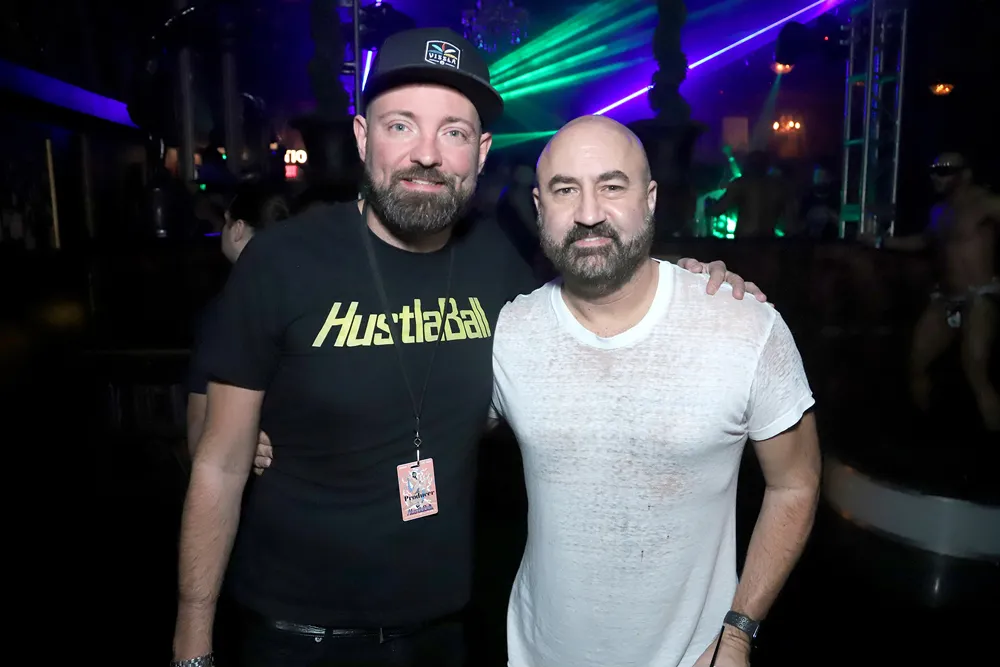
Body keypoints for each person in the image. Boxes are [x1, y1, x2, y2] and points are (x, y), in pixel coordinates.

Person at [173, 27, 764, 667]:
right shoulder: (280, 262)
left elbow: (593, 303)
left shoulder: (495, 262)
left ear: (480, 153)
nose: (427, 153)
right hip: (295, 637)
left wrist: (689, 283)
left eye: (452, 132)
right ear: (363, 137)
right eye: (401, 126)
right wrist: (191, 642)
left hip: (442, 633)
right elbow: (219, 464)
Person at [489, 115, 821, 667]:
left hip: (694, 658)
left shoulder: (743, 325)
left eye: (612, 186)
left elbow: (796, 484)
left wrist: (738, 632)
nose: (589, 213)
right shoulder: (510, 333)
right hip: (538, 653)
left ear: (650, 199)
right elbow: (432, 427)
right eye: (565, 190)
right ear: (539, 206)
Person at [861, 153, 999, 430]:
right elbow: (924, 241)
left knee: (975, 371)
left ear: (965, 174)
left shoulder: (987, 203)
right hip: (945, 298)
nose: (937, 176)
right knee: (916, 364)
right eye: (934, 170)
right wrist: (879, 241)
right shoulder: (939, 211)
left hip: (979, 296)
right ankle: (927, 431)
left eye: (945, 170)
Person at [186, 183, 291, 454]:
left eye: (226, 222)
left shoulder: (228, 307)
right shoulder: (305, 295)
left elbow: (201, 425)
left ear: (238, 229)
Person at [705, 150, 796, 238]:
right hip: (768, 242)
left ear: (747, 165)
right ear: (767, 166)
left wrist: (708, 205)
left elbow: (717, 210)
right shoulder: (779, 187)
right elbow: (790, 222)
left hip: (744, 241)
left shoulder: (741, 183)